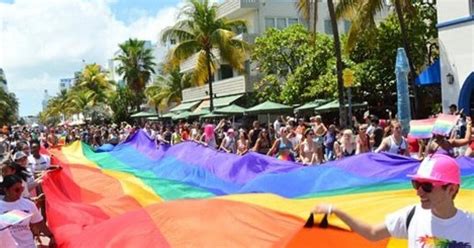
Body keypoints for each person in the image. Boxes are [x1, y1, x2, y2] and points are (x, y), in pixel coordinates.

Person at [311, 154, 474, 246]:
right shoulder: (411, 216)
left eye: (427, 186)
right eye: (416, 184)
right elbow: (373, 233)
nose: (419, 192)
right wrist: (335, 210)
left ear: (451, 189)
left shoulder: (470, 225)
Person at [0, 175, 56, 248]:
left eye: (22, 189)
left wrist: (51, 236)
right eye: (16, 190)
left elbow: (39, 222)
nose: (20, 192)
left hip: (28, 245)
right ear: (6, 190)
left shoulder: (28, 204)